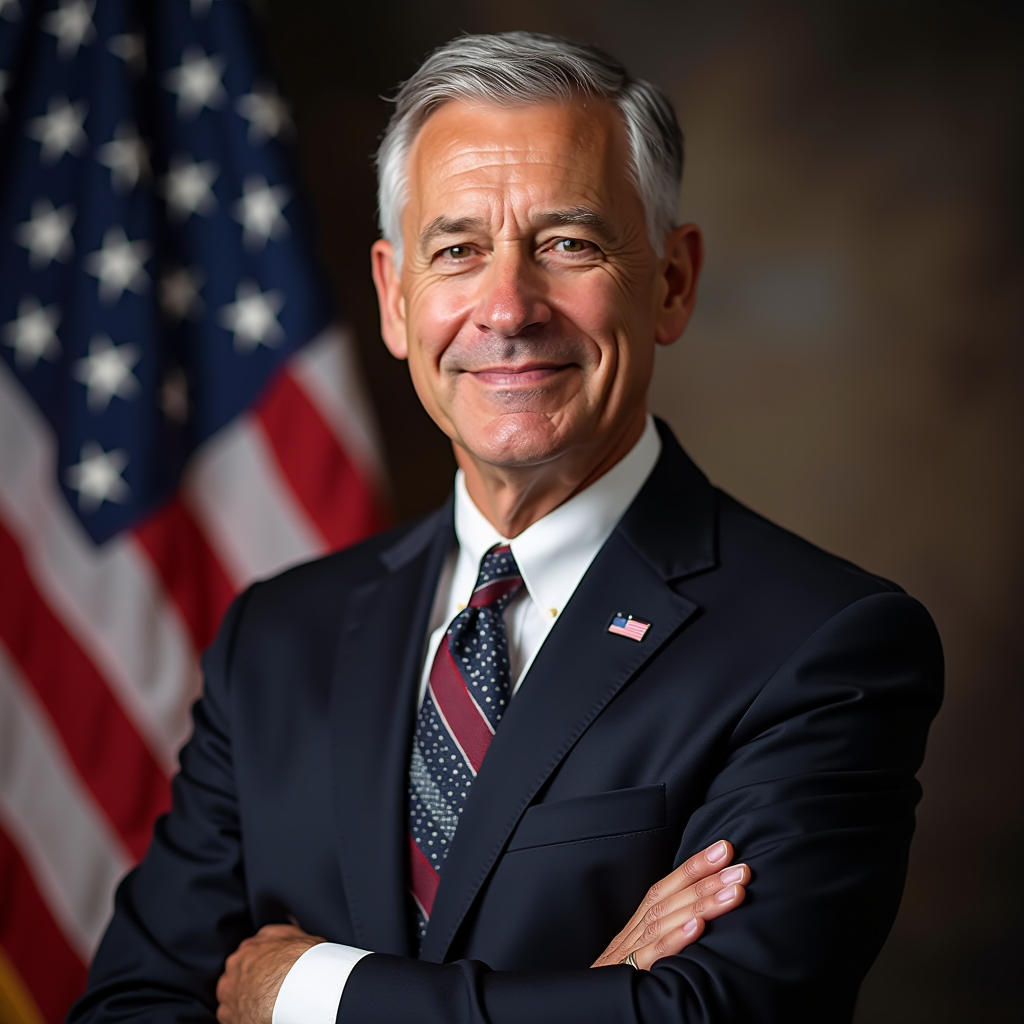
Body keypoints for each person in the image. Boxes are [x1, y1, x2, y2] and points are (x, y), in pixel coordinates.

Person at [69, 32, 942, 1024]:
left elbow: (707, 1016)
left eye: (567, 243)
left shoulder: (821, 645)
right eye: (457, 251)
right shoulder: (277, 638)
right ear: (395, 299)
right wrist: (591, 1000)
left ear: (671, 280)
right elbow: (128, 1010)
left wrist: (310, 989)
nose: (507, 308)